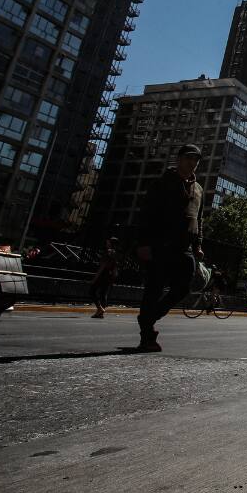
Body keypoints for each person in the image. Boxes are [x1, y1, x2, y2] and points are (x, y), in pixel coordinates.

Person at [135, 143, 204, 352]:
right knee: (154, 289)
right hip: (161, 245)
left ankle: (149, 316)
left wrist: (198, 245)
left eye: (196, 160)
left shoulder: (199, 189)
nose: (192, 163)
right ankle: (147, 335)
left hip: (185, 248)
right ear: (179, 159)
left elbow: (199, 220)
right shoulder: (162, 182)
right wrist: (144, 243)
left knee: (184, 287)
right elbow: (146, 214)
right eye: (188, 158)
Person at [89, 237, 119, 319]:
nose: (106, 243)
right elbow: (115, 267)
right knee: (103, 294)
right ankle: (100, 314)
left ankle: (100, 308)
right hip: (109, 276)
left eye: (108, 242)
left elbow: (102, 266)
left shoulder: (108, 252)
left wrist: (95, 278)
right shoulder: (115, 253)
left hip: (103, 274)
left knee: (92, 291)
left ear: (110, 243)